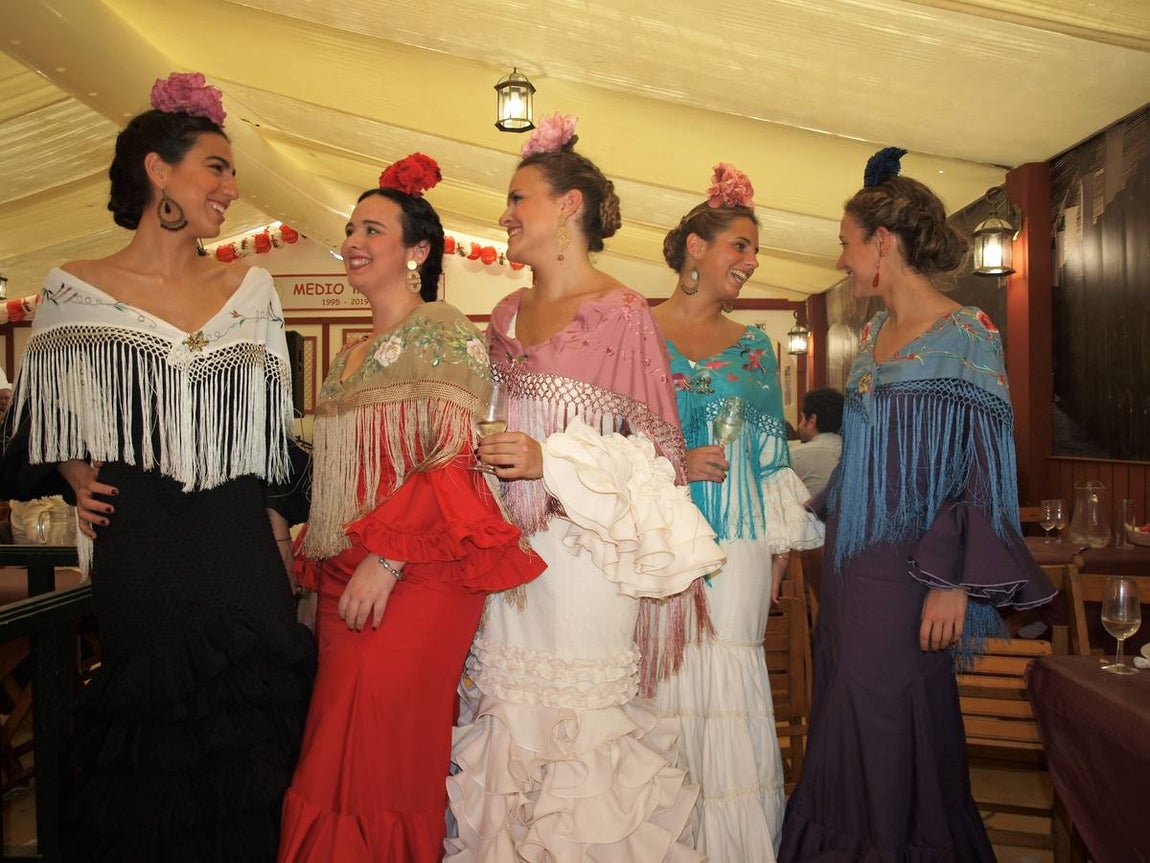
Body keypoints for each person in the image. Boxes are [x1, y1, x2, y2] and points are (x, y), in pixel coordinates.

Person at [0, 73, 316, 862]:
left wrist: (279, 534)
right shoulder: (77, 289)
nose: (231, 188)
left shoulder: (252, 289)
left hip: (238, 540)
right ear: (156, 169)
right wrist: (76, 477)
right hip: (141, 542)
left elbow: (272, 440)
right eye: (216, 166)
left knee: (254, 747)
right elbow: (37, 420)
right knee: (154, 746)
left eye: (231, 172)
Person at [447, 114, 725, 862]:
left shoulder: (624, 314)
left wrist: (551, 462)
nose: (505, 214)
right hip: (507, 565)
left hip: (584, 565)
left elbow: (654, 465)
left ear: (569, 207)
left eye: (518, 198)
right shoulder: (503, 314)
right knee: (505, 723)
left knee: (583, 740)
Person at [778, 148, 1055, 862]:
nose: (841, 259)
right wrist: (799, 510)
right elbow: (862, 465)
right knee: (850, 721)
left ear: (882, 243)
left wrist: (956, 579)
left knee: (892, 726)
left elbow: (986, 475)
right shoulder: (869, 338)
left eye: (846, 243)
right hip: (851, 572)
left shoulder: (969, 336)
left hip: (914, 579)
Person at [277, 155, 545, 863]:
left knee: (380, 754)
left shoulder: (444, 328)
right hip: (346, 575)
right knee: (332, 749)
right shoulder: (348, 356)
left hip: (417, 572)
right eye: (350, 229)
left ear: (417, 252)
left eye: (373, 228)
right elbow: (346, 474)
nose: (354, 241)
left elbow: (453, 458)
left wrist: (387, 559)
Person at [651, 164, 823, 863]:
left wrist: (782, 547)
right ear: (697, 246)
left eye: (754, 251)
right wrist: (674, 462)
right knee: (663, 678)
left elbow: (772, 454)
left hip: (743, 539)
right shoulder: (634, 330)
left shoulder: (757, 345)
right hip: (659, 534)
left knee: (732, 671)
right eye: (739, 246)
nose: (750, 263)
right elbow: (613, 442)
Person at [788, 387, 844, 499]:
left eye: (802, 419)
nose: (799, 426)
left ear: (812, 420)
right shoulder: (855, 453)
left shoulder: (795, 457)